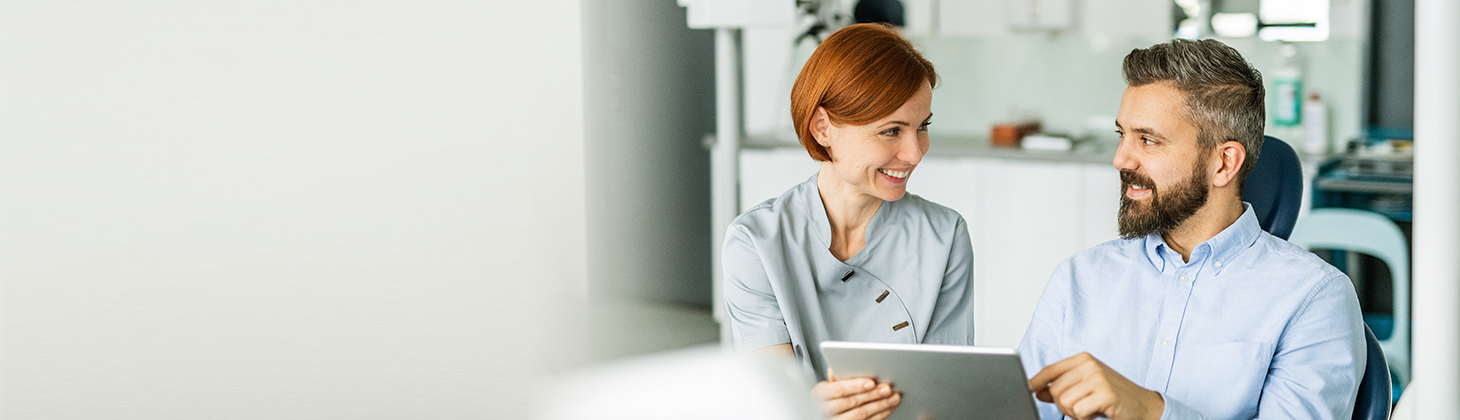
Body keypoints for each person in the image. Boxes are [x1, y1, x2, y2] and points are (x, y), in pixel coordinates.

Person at [1018, 39, 1365, 420]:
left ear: (1224, 163)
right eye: (1123, 135)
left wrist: (1152, 411)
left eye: (1148, 140)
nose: (1120, 159)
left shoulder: (1313, 298)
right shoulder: (1079, 278)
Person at [722, 23, 975, 420]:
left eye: (922, 127)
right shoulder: (756, 242)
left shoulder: (944, 236)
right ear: (823, 128)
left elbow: (947, 393)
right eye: (891, 130)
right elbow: (774, 399)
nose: (914, 153)